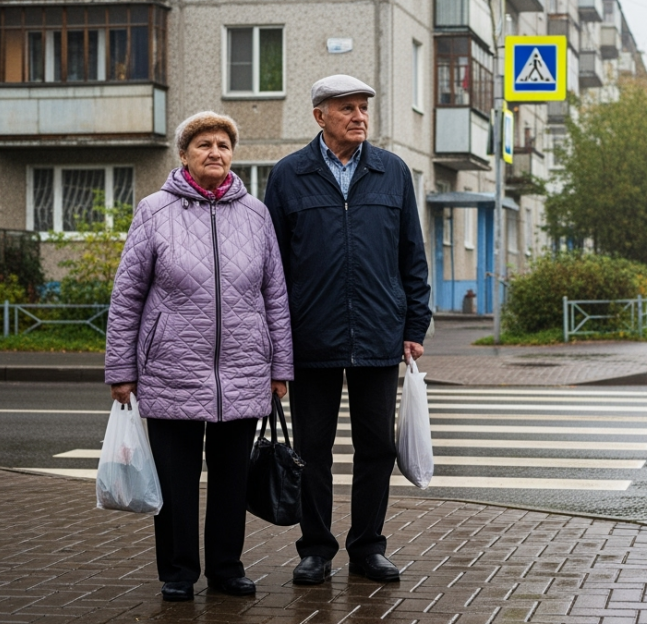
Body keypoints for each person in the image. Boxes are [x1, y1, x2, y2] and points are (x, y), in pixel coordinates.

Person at [104, 111, 294, 603]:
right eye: (204, 144)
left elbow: (275, 293)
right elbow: (127, 295)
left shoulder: (256, 213)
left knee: (232, 480)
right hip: (170, 368)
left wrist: (281, 367)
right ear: (184, 154)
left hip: (244, 368)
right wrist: (121, 369)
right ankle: (179, 571)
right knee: (176, 481)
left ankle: (228, 569)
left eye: (224, 145)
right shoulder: (154, 210)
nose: (215, 152)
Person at [264, 74, 432, 586]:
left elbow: (412, 255)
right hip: (310, 335)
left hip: (380, 333)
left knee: (376, 447)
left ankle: (368, 547)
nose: (359, 116)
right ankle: (315, 549)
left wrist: (414, 323)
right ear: (320, 116)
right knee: (313, 450)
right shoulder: (289, 175)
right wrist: (277, 340)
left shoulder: (393, 172)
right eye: (347, 109)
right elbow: (272, 266)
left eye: (363, 108)